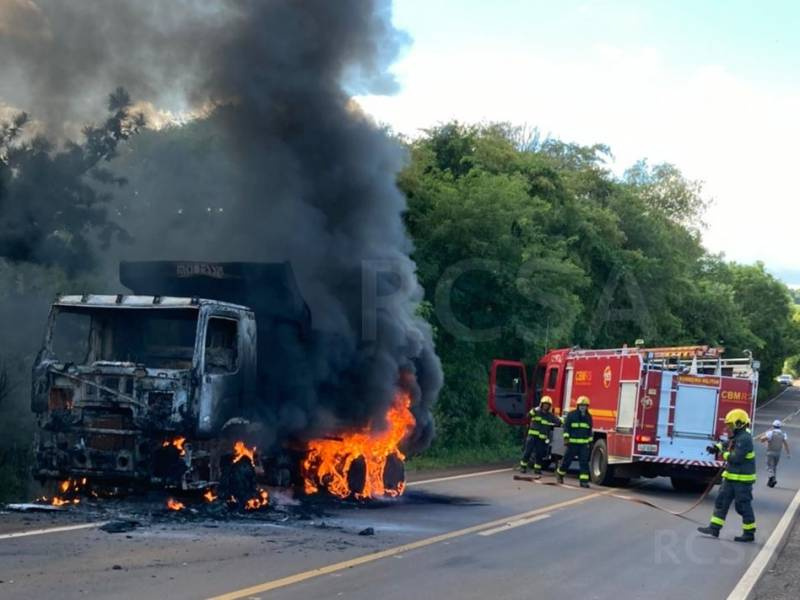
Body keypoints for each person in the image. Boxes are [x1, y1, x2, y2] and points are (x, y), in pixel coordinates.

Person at [698, 408, 757, 542]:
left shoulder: (745, 439)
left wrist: (723, 454)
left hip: (742, 480)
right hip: (730, 478)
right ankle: (714, 528)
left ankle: (749, 533)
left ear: (739, 424)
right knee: (721, 502)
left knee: (742, 506)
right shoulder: (737, 436)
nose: (728, 428)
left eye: (730, 425)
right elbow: (727, 443)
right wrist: (716, 447)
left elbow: (736, 458)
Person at [518, 396, 561, 478]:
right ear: (541, 404)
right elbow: (528, 416)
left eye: (547, 405)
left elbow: (558, 421)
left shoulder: (550, 415)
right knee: (528, 452)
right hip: (532, 436)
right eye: (544, 404)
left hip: (542, 438)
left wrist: (564, 420)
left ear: (549, 406)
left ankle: (537, 469)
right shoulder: (536, 411)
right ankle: (523, 467)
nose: (546, 406)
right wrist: (533, 411)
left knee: (540, 454)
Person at [556, 395, 593, 488]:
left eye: (585, 406)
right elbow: (566, 427)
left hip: (583, 445)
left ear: (587, 407)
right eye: (581, 405)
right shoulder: (571, 415)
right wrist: (566, 438)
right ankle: (560, 474)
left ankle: (584, 482)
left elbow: (589, 431)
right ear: (578, 406)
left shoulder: (588, 417)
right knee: (566, 461)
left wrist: (590, 443)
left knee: (584, 463)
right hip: (572, 443)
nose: (583, 407)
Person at [757, 419, 790, 487]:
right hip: (778, 453)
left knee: (769, 467)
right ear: (780, 426)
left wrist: (762, 438)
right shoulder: (783, 434)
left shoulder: (770, 433)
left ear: (773, 426)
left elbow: (762, 439)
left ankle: (772, 476)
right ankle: (772, 480)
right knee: (774, 467)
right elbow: (786, 444)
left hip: (770, 452)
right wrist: (788, 453)